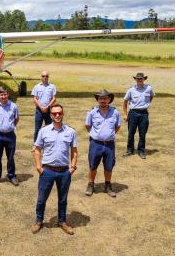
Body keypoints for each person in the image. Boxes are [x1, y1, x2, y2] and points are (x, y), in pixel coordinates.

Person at [31, 104, 78, 235]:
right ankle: (39, 221)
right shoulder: (43, 131)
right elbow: (37, 149)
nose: (57, 115)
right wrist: (39, 167)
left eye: (59, 113)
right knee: (42, 198)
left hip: (64, 172)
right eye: (54, 113)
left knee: (63, 199)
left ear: (63, 114)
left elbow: (74, 151)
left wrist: (72, 167)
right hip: (47, 171)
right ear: (51, 115)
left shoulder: (71, 132)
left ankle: (62, 221)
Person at [84, 89, 121, 197]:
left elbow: (117, 127)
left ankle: (108, 186)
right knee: (93, 165)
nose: (103, 100)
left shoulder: (115, 112)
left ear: (109, 99)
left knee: (109, 166)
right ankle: (90, 184)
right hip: (96, 144)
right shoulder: (92, 112)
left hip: (109, 144)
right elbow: (87, 125)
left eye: (105, 98)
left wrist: (108, 135)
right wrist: (96, 135)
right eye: (100, 98)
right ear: (98, 100)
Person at [0, 86, 19, 186]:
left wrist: (10, 127)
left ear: (8, 94)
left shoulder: (13, 106)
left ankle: (11, 176)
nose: (3, 96)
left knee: (10, 157)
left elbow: (16, 119)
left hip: (10, 136)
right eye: (1, 95)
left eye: (5, 94)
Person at [122, 72, 155, 159]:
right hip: (133, 113)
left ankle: (141, 151)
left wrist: (146, 104)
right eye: (138, 78)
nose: (139, 80)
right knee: (131, 132)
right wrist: (125, 114)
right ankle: (130, 150)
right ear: (135, 79)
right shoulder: (131, 89)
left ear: (144, 79)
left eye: (141, 78)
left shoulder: (149, 88)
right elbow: (125, 102)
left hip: (144, 113)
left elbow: (151, 96)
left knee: (142, 133)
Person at [31, 71, 57, 151]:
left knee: (49, 128)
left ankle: (49, 145)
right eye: (43, 76)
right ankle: (35, 145)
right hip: (39, 110)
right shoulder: (36, 87)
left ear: (48, 77)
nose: (45, 77)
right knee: (37, 129)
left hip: (49, 110)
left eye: (46, 76)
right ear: (41, 77)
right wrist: (41, 107)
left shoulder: (52, 86)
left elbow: (54, 98)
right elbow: (34, 98)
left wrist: (48, 106)